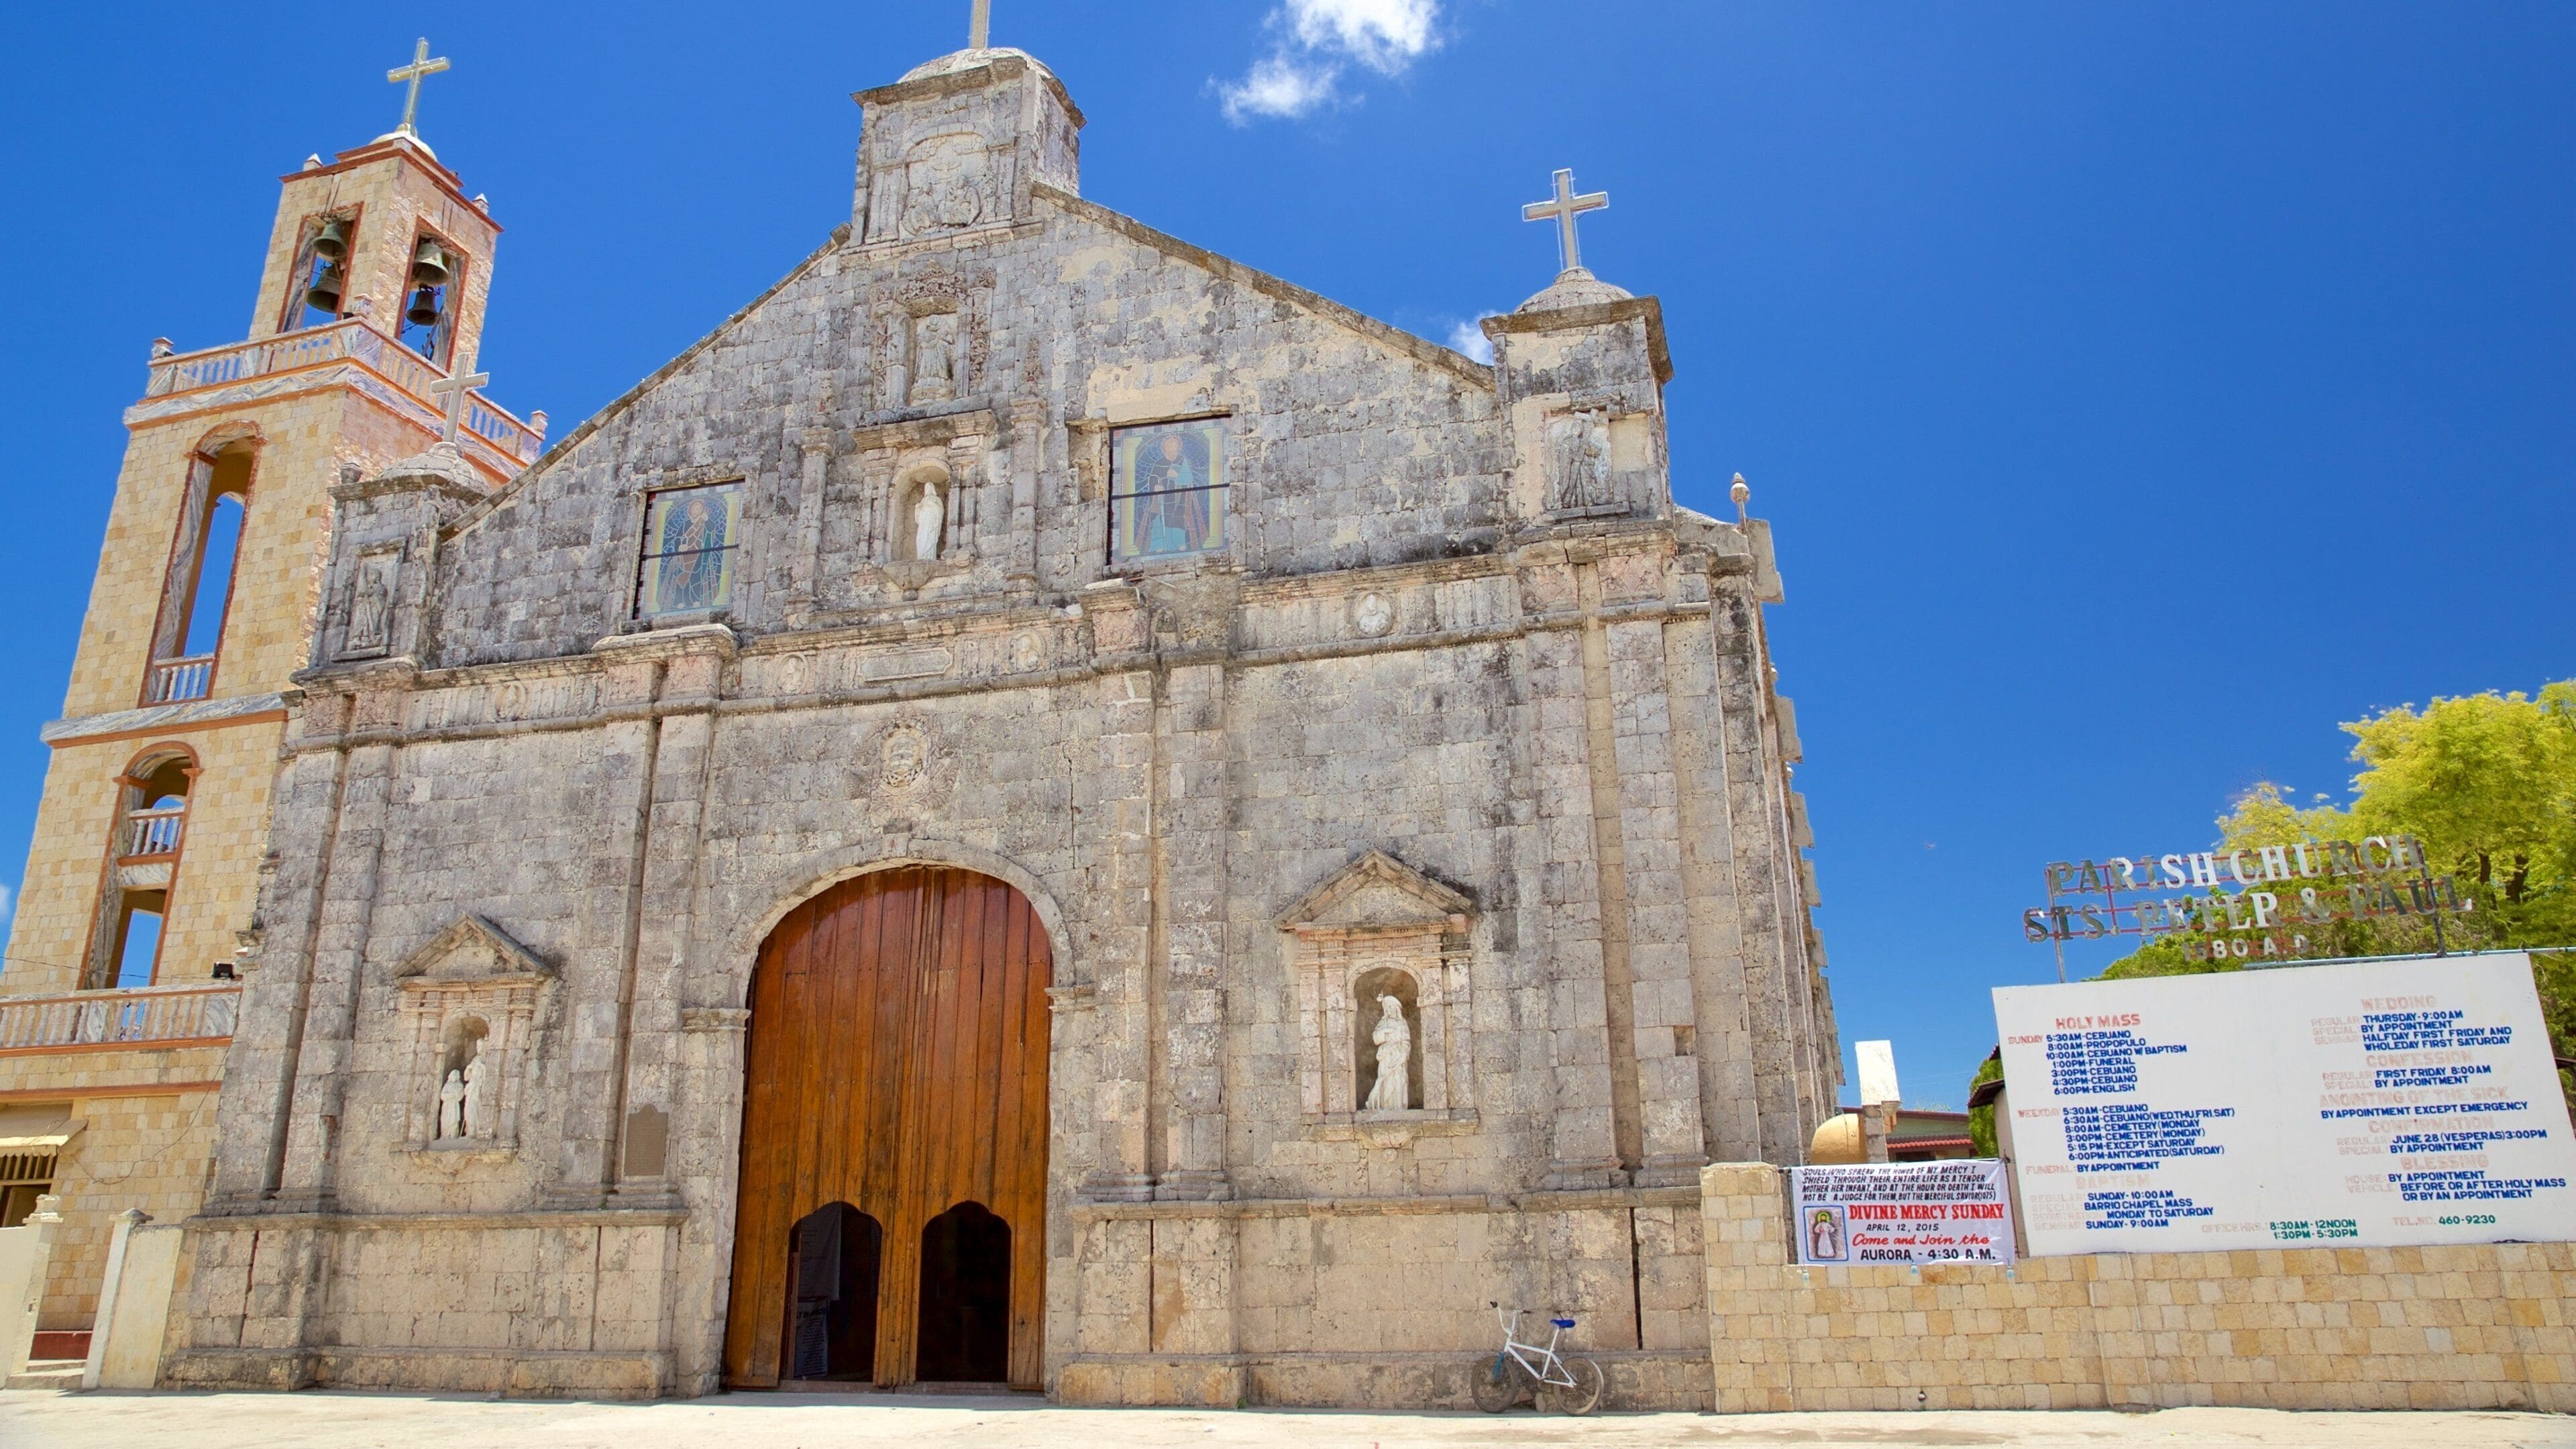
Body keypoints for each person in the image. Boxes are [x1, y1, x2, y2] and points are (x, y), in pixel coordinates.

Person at [1365, 995, 1412, 1112]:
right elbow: (1376, 1038)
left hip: (1398, 1056)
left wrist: (1404, 1055)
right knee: (1385, 1080)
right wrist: (1384, 1033)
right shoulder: (1383, 1022)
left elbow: (1406, 1042)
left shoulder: (1402, 1023)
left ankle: (1398, 1106)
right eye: (1388, 1008)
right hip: (1385, 1056)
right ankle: (1386, 1106)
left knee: (1398, 1079)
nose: (1390, 1010)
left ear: (1397, 1009)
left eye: (1392, 1008)